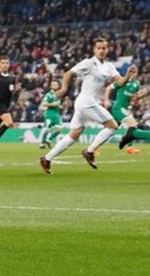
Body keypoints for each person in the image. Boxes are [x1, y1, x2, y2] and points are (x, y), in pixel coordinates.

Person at [39, 38, 138, 174]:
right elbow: (69, 73)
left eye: (104, 48)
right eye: (99, 48)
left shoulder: (108, 66)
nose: (101, 50)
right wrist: (63, 89)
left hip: (85, 103)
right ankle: (89, 151)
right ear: (94, 50)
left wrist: (127, 75)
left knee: (74, 135)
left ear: (107, 49)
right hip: (86, 102)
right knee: (113, 126)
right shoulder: (89, 63)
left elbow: (120, 82)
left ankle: (47, 158)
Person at [105, 69, 150, 149]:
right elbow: (109, 88)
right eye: (132, 71)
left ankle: (94, 147)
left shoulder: (136, 84)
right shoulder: (122, 80)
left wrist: (144, 94)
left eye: (135, 72)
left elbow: (137, 96)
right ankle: (128, 142)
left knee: (111, 129)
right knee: (133, 126)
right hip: (118, 108)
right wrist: (106, 100)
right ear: (128, 72)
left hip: (124, 109)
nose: (133, 73)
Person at [38, 80, 63, 149]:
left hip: (57, 114)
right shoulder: (48, 94)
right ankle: (42, 144)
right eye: (52, 84)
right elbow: (44, 103)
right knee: (47, 129)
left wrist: (59, 106)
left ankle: (48, 139)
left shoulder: (59, 94)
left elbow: (58, 104)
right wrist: (53, 105)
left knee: (59, 130)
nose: (53, 86)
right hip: (49, 114)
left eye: (55, 84)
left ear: (58, 86)